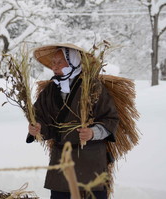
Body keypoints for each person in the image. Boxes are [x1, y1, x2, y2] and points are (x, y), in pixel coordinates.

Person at [26, 44, 119, 199]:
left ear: (74, 61)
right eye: (53, 62)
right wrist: (37, 129)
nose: (54, 67)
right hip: (61, 159)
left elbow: (111, 118)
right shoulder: (50, 90)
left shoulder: (92, 86)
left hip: (91, 160)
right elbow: (40, 117)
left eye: (59, 62)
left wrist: (92, 132)